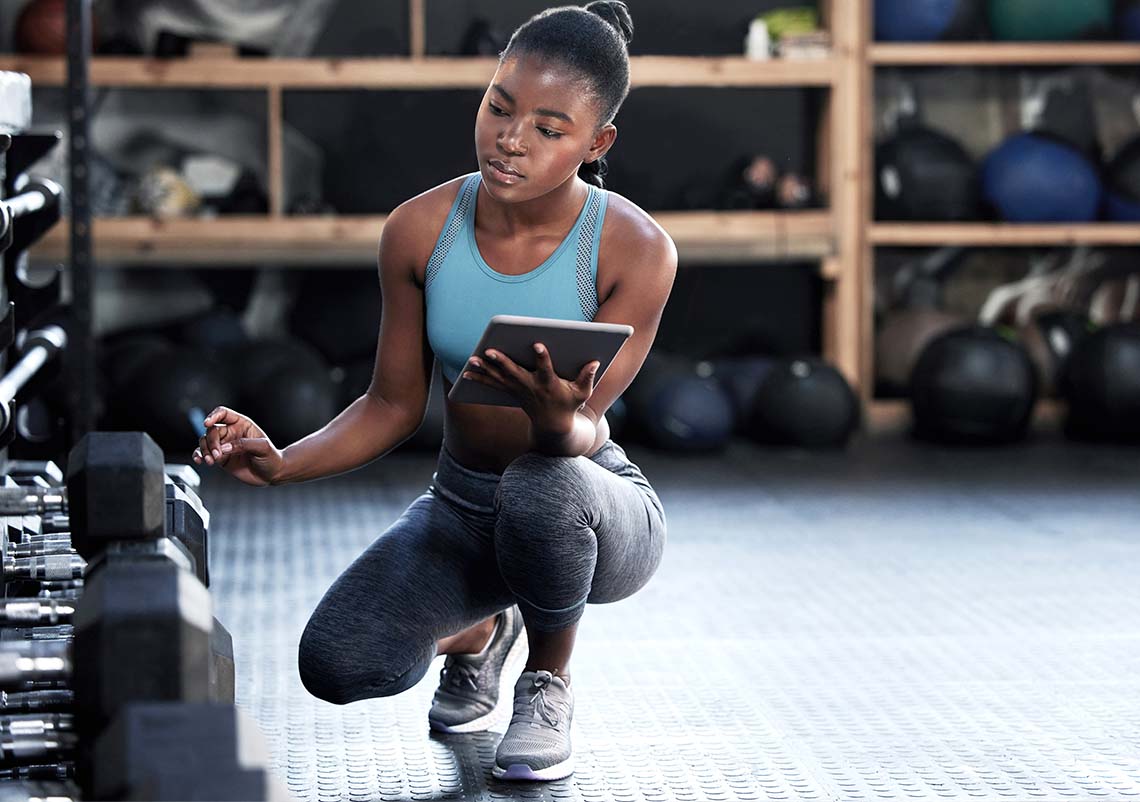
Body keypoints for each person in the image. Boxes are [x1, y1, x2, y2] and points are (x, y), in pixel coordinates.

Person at [192, 1, 675, 782]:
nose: (511, 139)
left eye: (550, 130)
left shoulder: (636, 248)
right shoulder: (419, 230)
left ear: (597, 144)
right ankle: (484, 625)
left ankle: (547, 680)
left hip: (593, 506)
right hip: (462, 504)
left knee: (541, 486)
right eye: (498, 107)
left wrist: (556, 423)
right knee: (339, 662)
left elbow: (583, 427)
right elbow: (391, 405)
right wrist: (283, 462)